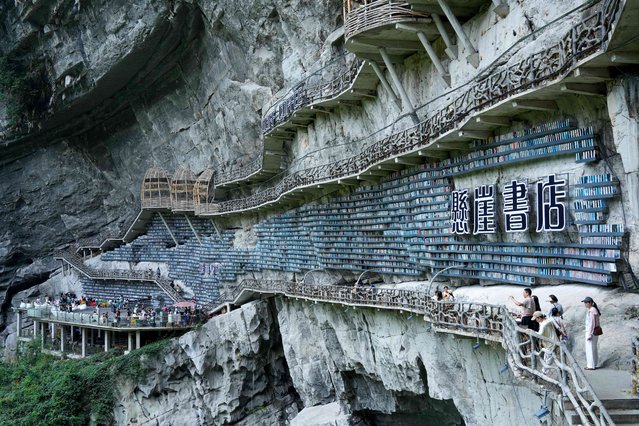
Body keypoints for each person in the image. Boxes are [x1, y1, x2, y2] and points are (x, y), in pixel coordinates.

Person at [582, 296, 601, 370]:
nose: (585, 304)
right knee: (593, 348)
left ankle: (591, 365)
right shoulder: (593, 309)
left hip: (591, 332)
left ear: (590, 303)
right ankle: (594, 364)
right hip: (594, 331)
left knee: (590, 349)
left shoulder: (592, 310)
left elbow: (591, 323)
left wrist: (589, 334)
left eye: (586, 302)